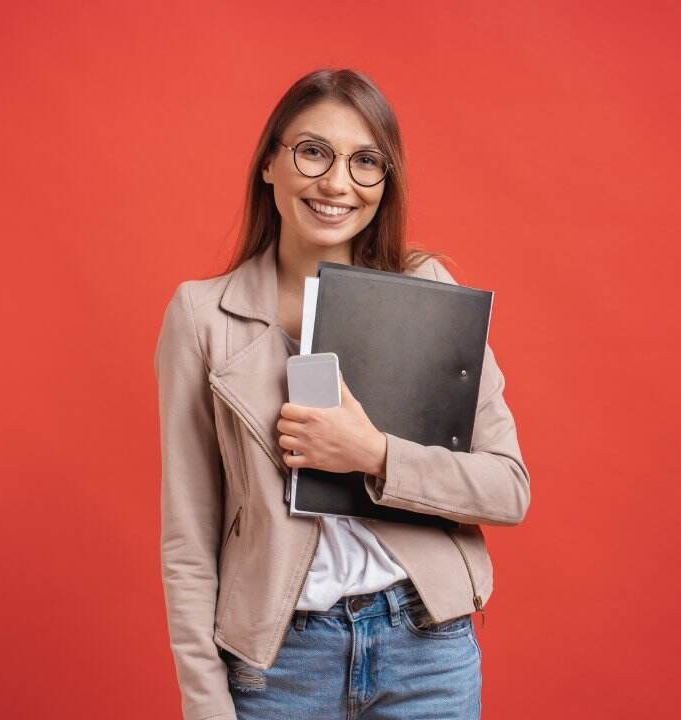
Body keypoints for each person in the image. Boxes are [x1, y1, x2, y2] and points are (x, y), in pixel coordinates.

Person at [155, 68, 531, 720]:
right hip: (280, 664)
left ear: (386, 185)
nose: (336, 183)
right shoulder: (201, 317)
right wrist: (205, 708)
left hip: (426, 648)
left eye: (365, 163)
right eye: (313, 152)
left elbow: (507, 489)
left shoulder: (428, 291)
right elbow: (188, 544)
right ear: (270, 163)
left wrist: (375, 454)